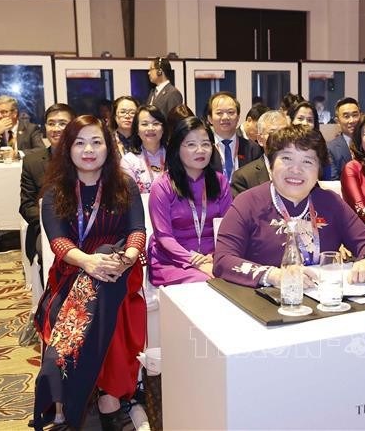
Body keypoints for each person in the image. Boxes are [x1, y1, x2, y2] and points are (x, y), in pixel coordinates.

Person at [32, 115, 146, 431]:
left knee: (115, 305)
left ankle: (105, 400)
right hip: (71, 271)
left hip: (118, 269)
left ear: (108, 147)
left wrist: (128, 258)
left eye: (96, 141)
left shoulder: (125, 186)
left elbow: (137, 230)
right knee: (92, 309)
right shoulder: (56, 191)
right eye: (80, 142)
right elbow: (58, 241)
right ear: (67, 148)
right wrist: (87, 261)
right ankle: (76, 400)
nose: (88, 149)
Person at [213, 125, 365, 288]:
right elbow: (223, 260)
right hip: (265, 302)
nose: (296, 170)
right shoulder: (247, 203)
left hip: (322, 297)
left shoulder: (330, 202)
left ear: (319, 169)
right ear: (270, 165)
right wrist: (274, 275)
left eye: (307, 161)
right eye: (286, 159)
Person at [148, 117, 232, 286]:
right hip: (172, 260)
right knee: (207, 283)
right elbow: (164, 237)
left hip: (212, 256)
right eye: (191, 144)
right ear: (177, 148)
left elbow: (227, 228)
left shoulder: (220, 181)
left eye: (206, 144)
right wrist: (195, 261)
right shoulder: (163, 185)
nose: (200, 150)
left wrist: (214, 256)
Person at [19, 104, 76, 346]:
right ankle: (51, 313)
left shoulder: (85, 154)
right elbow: (26, 205)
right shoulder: (33, 161)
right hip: (46, 232)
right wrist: (50, 224)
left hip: (83, 227)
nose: (57, 128)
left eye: (63, 123)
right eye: (52, 123)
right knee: (47, 253)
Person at [230, 110, 289, 197]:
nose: (280, 138)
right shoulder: (244, 177)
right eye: (272, 133)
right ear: (260, 140)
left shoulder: (301, 170)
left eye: (284, 132)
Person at [207, 91, 262, 180]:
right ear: (210, 118)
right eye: (219, 113)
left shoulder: (252, 149)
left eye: (231, 112)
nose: (225, 117)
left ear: (238, 117)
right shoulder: (205, 148)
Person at [120, 105, 168, 193]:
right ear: (137, 130)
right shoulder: (129, 161)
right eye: (145, 124)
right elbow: (129, 196)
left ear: (163, 128)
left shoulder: (175, 156)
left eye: (156, 123)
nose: (150, 128)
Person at [0, 95, 44, 160]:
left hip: (23, 168)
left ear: (15, 113)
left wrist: (17, 154)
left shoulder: (30, 128)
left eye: (4, 112)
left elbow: (41, 150)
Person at [327, 97, 361, 180]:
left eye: (355, 115)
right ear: (337, 121)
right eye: (346, 116)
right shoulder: (330, 148)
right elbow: (332, 181)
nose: (352, 120)